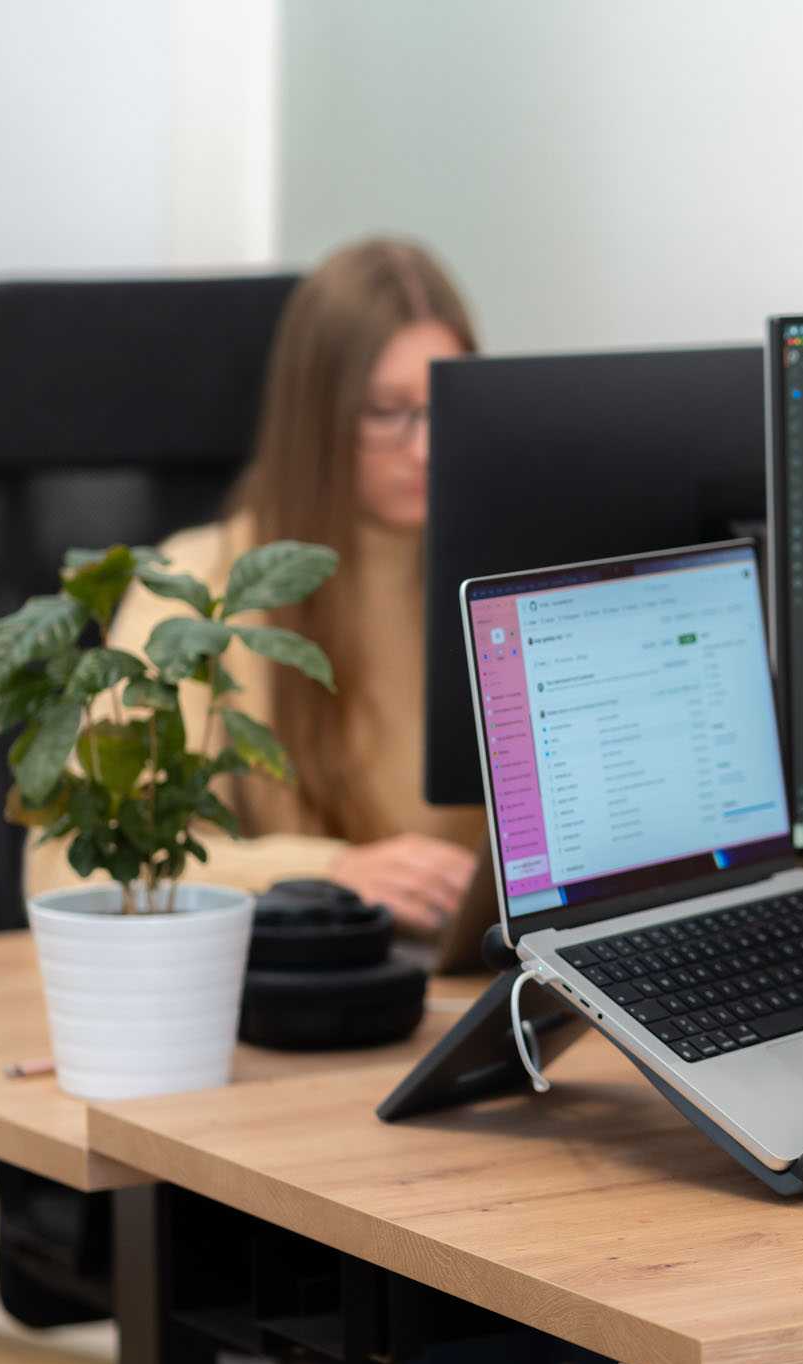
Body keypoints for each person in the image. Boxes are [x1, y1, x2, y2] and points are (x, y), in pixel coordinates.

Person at [26, 237, 484, 935]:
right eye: (386, 413)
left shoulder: (499, 573)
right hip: (319, 985)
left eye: (446, 404)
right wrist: (327, 874)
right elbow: (70, 863)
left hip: (480, 984)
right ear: (319, 418)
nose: (425, 447)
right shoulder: (201, 588)